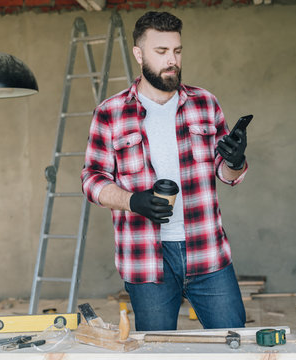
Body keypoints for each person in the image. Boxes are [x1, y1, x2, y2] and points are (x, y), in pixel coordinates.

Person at [81, 11, 249, 331]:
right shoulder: (111, 113)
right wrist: (133, 201)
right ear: (139, 53)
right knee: (156, 351)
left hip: (207, 251)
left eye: (177, 51)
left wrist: (235, 160)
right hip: (146, 259)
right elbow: (91, 179)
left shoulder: (205, 103)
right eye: (161, 52)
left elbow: (226, 173)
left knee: (235, 344)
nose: (171, 60)